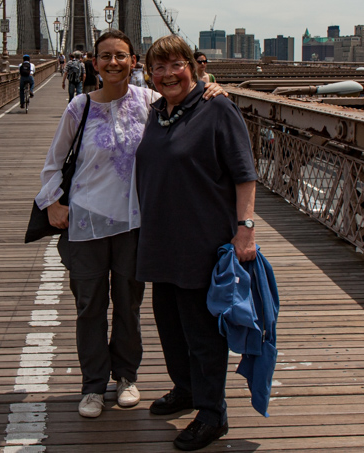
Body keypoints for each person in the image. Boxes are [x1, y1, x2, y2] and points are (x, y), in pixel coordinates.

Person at [36, 30, 227, 420]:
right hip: (86, 224)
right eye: (105, 56)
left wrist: (212, 88)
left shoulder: (151, 102)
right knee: (90, 306)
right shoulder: (79, 107)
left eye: (121, 56)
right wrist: (53, 202)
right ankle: (92, 386)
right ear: (94, 63)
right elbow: (53, 163)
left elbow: (188, 102)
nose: (113, 63)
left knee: (129, 305)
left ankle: (125, 377)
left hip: (135, 223)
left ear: (134, 61)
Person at [135, 35, 258, 451]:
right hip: (159, 237)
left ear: (193, 66)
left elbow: (244, 173)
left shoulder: (216, 107)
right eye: (159, 67)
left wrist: (245, 227)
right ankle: (184, 389)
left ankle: (212, 412)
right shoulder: (156, 111)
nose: (168, 74)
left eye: (176, 65)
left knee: (202, 331)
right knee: (169, 324)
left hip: (200, 239)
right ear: (149, 73)